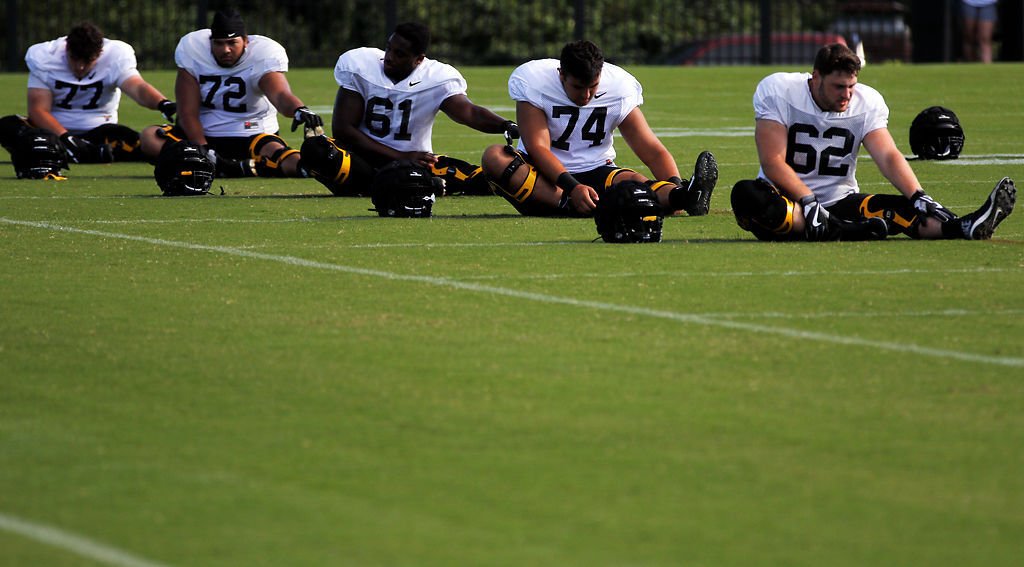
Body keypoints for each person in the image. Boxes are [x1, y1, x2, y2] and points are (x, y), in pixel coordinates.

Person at [730, 42, 1015, 242]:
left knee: (906, 208)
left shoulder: (867, 102)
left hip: (840, 202)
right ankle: (844, 231)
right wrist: (808, 201)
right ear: (815, 77)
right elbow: (772, 161)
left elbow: (888, 155)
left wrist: (918, 194)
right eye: (838, 87)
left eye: (851, 86)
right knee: (746, 195)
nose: (847, 95)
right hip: (788, 204)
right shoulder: (780, 90)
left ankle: (964, 226)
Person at [480, 39, 718, 218]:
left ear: (601, 74)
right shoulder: (534, 80)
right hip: (543, 178)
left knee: (634, 182)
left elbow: (651, 149)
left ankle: (685, 197)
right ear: (561, 74)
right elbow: (538, 148)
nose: (586, 95)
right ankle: (572, 205)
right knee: (495, 157)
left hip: (597, 170)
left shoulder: (618, 86)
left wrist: (673, 186)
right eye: (578, 87)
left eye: (592, 87)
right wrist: (573, 189)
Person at [330, 21, 515, 196]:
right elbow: (343, 130)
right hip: (362, 159)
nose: (389, 57)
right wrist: (400, 156)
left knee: (483, 180)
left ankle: (402, 184)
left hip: (416, 164)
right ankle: (413, 185)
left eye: (400, 54)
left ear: (419, 59)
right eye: (388, 48)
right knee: (317, 150)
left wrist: (505, 125)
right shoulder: (360, 65)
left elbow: (470, 112)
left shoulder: (435, 77)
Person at [140, 10, 323, 178]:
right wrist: (203, 150)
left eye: (232, 43)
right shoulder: (194, 52)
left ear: (245, 41)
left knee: (279, 152)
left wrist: (299, 109)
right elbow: (187, 112)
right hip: (206, 135)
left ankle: (306, 169)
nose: (225, 50)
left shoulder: (261, 55)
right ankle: (245, 167)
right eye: (218, 43)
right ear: (210, 41)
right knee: (150, 137)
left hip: (252, 133)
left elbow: (281, 95)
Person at [0, 22, 176, 164]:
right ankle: (79, 152)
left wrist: (162, 103)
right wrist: (66, 137)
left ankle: (67, 153)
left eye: (88, 61)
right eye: (75, 59)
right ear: (66, 48)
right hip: (52, 133)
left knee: (144, 142)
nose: (80, 67)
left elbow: (137, 87)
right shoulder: (46, 57)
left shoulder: (115, 55)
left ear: (99, 53)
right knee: (7, 127)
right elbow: (38, 111)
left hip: (99, 132)